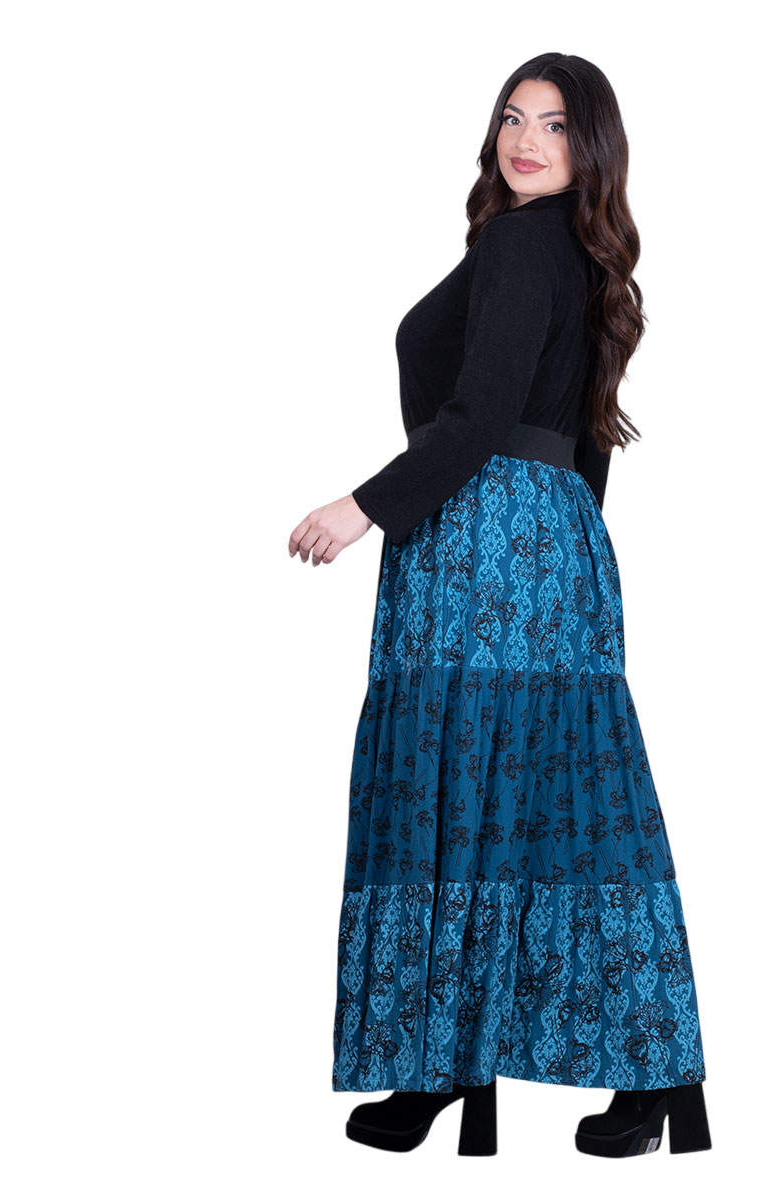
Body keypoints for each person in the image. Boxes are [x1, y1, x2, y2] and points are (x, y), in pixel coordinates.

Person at [288, 53, 712, 1158]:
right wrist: (569, 561)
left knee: (456, 792)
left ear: (591, 147)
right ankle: (619, 1069)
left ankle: (451, 1059)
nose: (527, 140)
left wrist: (362, 507)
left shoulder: (526, 246)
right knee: (560, 805)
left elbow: (476, 418)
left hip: (481, 543)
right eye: (513, 118)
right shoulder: (568, 250)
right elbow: (583, 441)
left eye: (556, 125)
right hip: (550, 541)